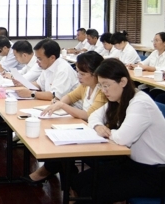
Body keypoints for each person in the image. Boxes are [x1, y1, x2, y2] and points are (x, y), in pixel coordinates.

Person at [72, 58, 165, 204]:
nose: (103, 91)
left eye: (106, 85)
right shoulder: (119, 99)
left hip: (156, 175)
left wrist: (108, 131)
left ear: (123, 82)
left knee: (92, 192)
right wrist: (99, 127)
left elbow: (123, 138)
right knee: (81, 180)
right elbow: (94, 116)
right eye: (101, 86)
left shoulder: (140, 103)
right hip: (134, 165)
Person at [25, 51, 107, 184]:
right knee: (55, 138)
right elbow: (70, 97)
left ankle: (56, 177)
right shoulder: (85, 86)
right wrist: (58, 103)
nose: (78, 76)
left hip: (98, 134)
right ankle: (62, 179)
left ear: (96, 74)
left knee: (62, 146)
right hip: (86, 128)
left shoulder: (103, 91)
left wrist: (62, 105)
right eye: (78, 72)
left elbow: (88, 115)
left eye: (82, 73)